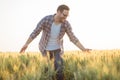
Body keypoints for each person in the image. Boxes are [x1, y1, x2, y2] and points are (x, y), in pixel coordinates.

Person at [20, 4, 91, 80]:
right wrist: (26, 43)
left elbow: (73, 38)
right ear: (58, 12)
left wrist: (83, 49)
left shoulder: (66, 24)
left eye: (67, 16)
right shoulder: (46, 19)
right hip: (45, 49)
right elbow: (35, 32)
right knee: (47, 71)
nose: (66, 17)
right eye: (64, 15)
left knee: (59, 69)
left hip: (57, 49)